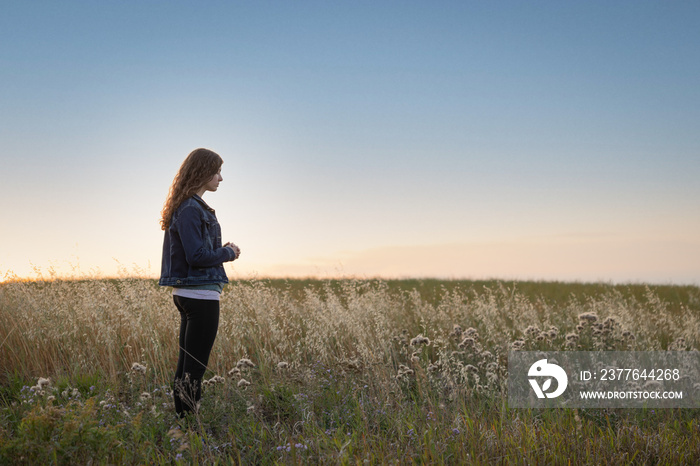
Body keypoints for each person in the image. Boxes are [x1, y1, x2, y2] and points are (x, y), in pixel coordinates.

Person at [159, 148, 241, 418]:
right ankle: (189, 428)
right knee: (194, 367)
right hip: (200, 297)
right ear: (203, 172)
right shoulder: (192, 209)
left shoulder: (188, 207)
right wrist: (229, 253)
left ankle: (182, 424)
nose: (220, 178)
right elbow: (197, 256)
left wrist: (220, 250)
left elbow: (196, 252)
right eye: (217, 171)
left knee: (186, 365)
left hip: (189, 293)